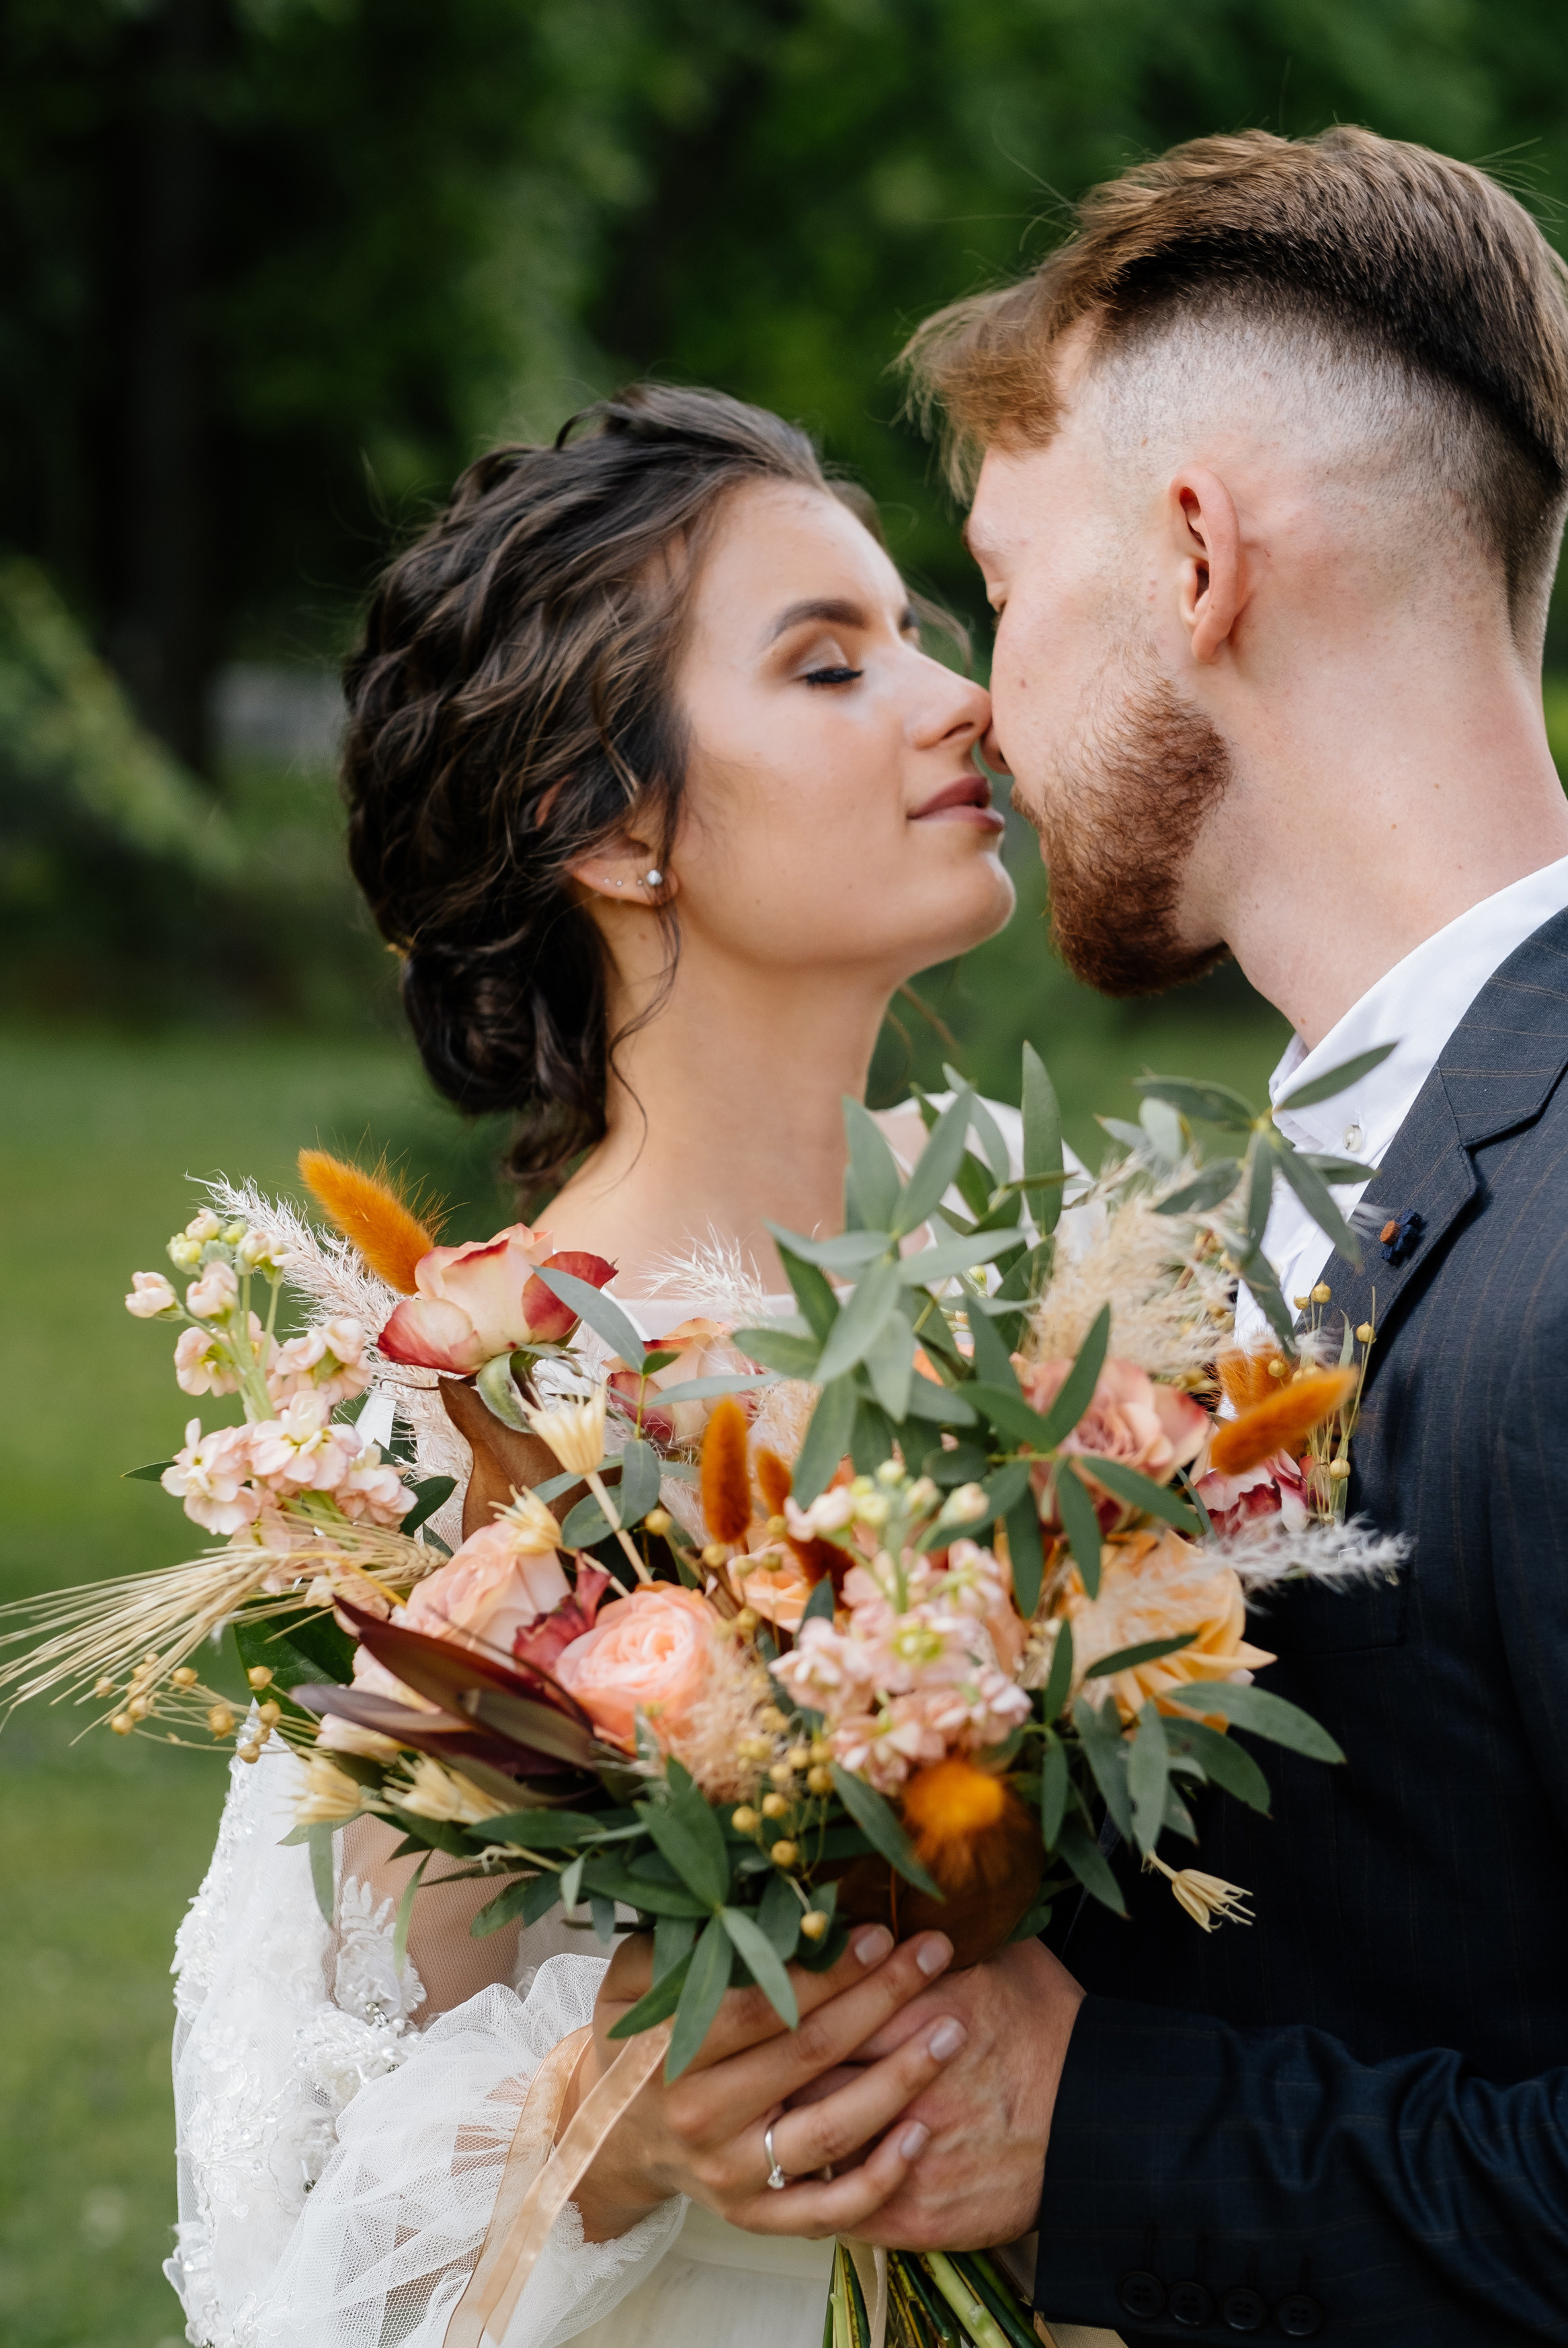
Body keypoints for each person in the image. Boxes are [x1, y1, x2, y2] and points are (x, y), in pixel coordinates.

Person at [753, 126, 1568, 2346]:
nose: (983, 708)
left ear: (1198, 554)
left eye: (1005, 591)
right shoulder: (1336, 1173)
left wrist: (1095, 2127)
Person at [167, 384, 1049, 2348]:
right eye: (833, 665)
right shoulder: (460, 1417)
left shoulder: (1066, 1282)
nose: (958, 698)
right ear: (608, 823)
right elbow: (292, 2261)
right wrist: (620, 2131)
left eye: (919, 632)